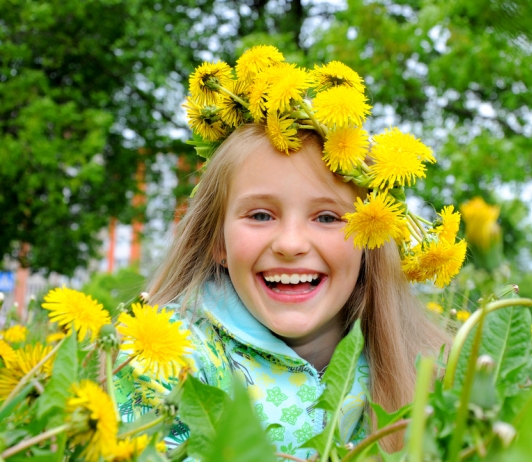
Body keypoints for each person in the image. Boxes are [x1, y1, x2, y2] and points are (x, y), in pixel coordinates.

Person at [116, 46, 462, 458]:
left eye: (328, 217)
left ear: (371, 242)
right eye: (261, 215)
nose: (291, 244)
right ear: (216, 240)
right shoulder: (160, 354)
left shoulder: (427, 372)